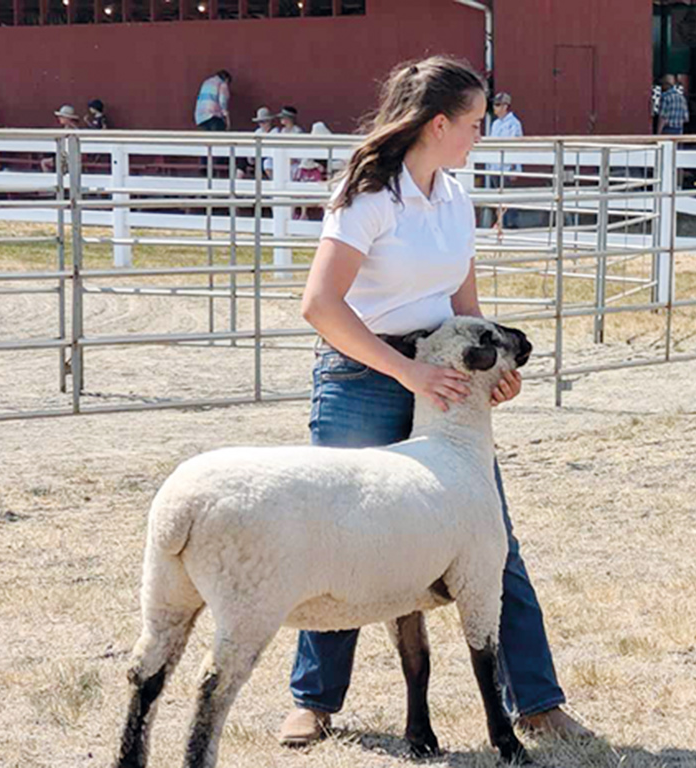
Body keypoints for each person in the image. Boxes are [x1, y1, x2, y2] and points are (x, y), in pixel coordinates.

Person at [282, 55, 593, 747]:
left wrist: (494, 377)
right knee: (341, 536)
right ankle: (313, 699)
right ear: (439, 122)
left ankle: (536, 701)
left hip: (446, 373)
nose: (483, 134)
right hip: (366, 372)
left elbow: (467, 304)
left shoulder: (455, 196)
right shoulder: (368, 195)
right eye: (476, 123)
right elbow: (321, 306)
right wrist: (404, 373)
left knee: (489, 539)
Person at [485, 91, 523, 230]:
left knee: (508, 195)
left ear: (505, 106)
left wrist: (514, 167)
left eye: (498, 105)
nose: (495, 108)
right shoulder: (495, 124)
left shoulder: (514, 124)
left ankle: (511, 223)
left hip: (507, 167)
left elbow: (516, 147)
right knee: (498, 195)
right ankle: (501, 222)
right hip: (495, 166)